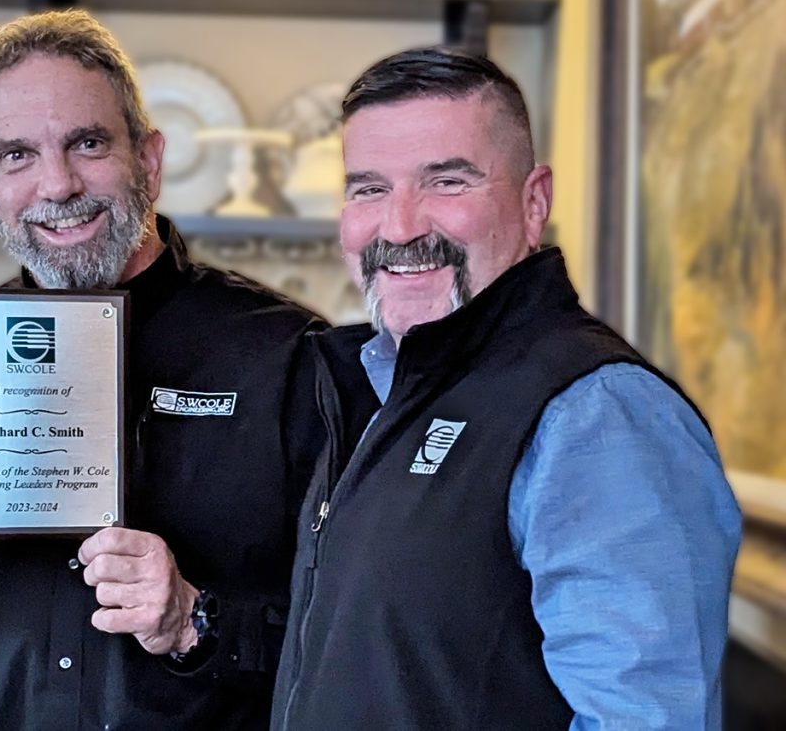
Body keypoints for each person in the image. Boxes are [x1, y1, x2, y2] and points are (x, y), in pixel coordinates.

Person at [0, 10, 324, 730]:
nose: (57, 184)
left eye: (87, 142)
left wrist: (194, 621)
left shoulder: (288, 355)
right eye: (17, 155)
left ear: (148, 159)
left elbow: (348, 645)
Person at [271, 47, 742, 730]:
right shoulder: (385, 388)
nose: (399, 228)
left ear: (533, 202)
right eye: (369, 188)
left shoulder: (597, 413)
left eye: (447, 182)